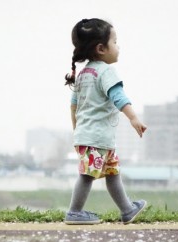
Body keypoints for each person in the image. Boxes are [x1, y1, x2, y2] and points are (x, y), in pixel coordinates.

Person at [64, 18, 148, 225]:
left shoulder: (83, 74)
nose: (118, 47)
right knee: (88, 175)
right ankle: (74, 212)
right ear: (101, 48)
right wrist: (134, 118)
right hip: (97, 137)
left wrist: (78, 133)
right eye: (115, 42)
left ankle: (127, 209)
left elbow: (74, 106)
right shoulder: (105, 72)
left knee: (112, 172)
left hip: (91, 137)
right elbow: (118, 96)